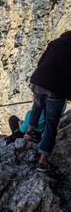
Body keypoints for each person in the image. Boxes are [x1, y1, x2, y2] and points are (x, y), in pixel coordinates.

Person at [24, 31, 71, 172]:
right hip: (57, 89)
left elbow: (40, 62)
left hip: (38, 81)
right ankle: (43, 162)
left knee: (37, 106)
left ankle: (29, 132)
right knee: (51, 123)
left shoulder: (55, 43)